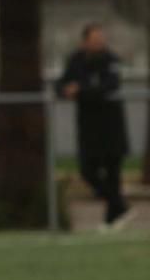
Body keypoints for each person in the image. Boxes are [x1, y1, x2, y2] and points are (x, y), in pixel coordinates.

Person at [55, 23, 134, 229]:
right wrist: (66, 90)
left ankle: (111, 219)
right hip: (88, 127)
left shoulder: (110, 60)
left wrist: (80, 91)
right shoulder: (77, 60)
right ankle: (119, 205)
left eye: (101, 39)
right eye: (95, 39)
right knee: (87, 170)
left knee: (112, 172)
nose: (99, 43)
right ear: (85, 41)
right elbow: (61, 85)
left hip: (111, 126)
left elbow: (109, 86)